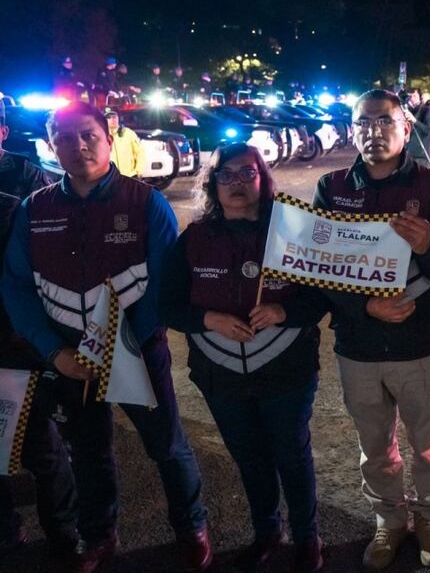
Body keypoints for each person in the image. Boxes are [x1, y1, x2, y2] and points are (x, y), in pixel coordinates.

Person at [1, 102, 212, 572]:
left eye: (88, 135)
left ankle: (192, 526)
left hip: (137, 353)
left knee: (166, 446)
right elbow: (15, 286)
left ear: (108, 138)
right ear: (51, 145)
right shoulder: (36, 210)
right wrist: (54, 352)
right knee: (90, 453)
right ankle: (99, 536)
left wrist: (121, 350)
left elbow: (164, 284)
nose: (78, 146)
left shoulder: (145, 202)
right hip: (69, 360)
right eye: (66, 138)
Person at [312, 89, 430, 570]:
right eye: (362, 123)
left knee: (427, 445)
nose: (372, 132)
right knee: (374, 446)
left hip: (421, 343)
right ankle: (389, 521)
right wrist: (364, 308)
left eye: (383, 122)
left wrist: (429, 245)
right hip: (358, 346)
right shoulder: (331, 186)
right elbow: (321, 270)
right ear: (350, 128)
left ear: (406, 127)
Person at [161, 143, 328, 572]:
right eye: (227, 175)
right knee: (250, 458)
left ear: (263, 178)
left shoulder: (291, 230)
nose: (237, 183)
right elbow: (167, 305)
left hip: (285, 368)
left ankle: (309, 539)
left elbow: (323, 296)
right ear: (212, 183)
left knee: (291, 454)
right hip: (220, 374)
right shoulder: (194, 238)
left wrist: (283, 310)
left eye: (247, 173)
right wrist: (208, 319)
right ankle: (268, 532)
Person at [0, 105, 75, 565]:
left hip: (14, 338)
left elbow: (46, 257)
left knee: (39, 445)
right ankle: (7, 528)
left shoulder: (29, 185)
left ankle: (65, 530)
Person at [105, 110, 144, 178]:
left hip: (130, 176)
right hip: (111, 178)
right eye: (109, 117)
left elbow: (139, 152)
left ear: (118, 118)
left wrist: (139, 170)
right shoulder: (102, 135)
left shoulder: (128, 133)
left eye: (114, 117)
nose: (112, 119)